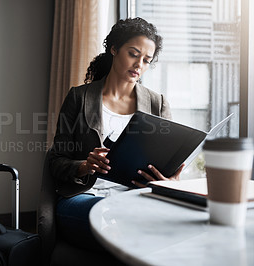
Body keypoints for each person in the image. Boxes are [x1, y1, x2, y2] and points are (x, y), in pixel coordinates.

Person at [47, 17, 185, 251]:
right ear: (114, 49)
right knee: (120, 222)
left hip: (134, 198)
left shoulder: (157, 104)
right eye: (133, 53)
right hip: (83, 196)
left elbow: (169, 164)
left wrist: (170, 182)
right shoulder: (79, 98)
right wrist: (85, 166)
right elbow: (56, 162)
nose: (139, 64)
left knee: (172, 222)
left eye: (146, 60)